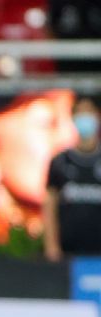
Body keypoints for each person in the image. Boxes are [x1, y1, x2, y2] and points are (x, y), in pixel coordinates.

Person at [44, 96, 101, 261]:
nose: (85, 118)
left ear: (97, 116)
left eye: (89, 112)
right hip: (69, 251)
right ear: (73, 118)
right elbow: (50, 204)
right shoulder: (60, 161)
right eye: (80, 113)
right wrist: (52, 246)